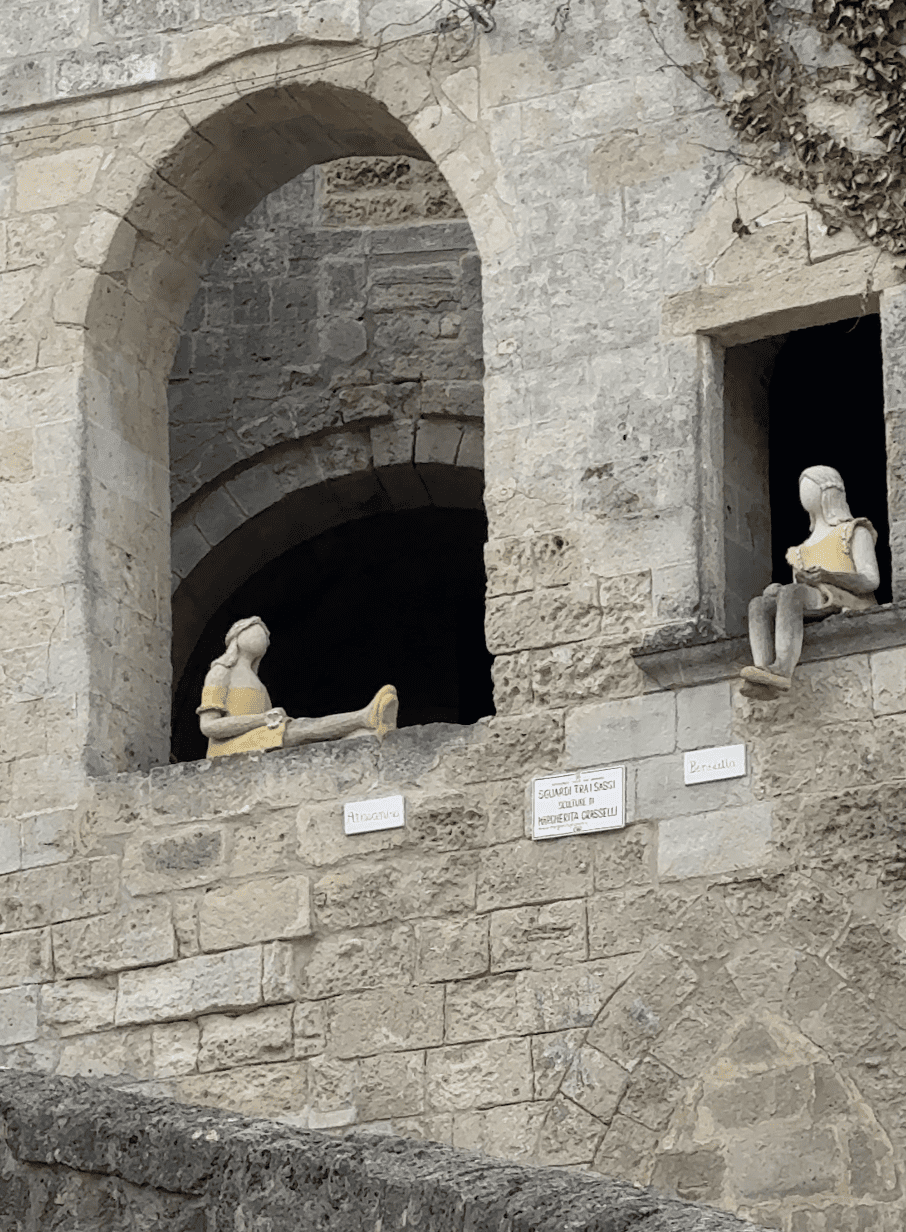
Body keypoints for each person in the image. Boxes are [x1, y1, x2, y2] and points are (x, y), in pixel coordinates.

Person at [740, 465, 879, 699]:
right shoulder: (801, 550)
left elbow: (870, 581)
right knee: (760, 603)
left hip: (845, 597)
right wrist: (778, 591)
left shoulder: (852, 530)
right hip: (816, 597)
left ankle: (783, 668)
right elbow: (798, 586)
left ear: (828, 494)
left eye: (811, 488)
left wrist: (828, 576)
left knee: (791, 593)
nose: (805, 494)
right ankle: (763, 669)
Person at [197, 616, 398, 758]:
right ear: (237, 637)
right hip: (231, 747)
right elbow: (208, 726)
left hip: (261, 739)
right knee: (298, 729)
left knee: (302, 735)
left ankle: (364, 733)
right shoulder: (220, 672)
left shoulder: (257, 683)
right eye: (253, 631)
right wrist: (263, 719)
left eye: (265, 636)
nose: (262, 637)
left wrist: (268, 721)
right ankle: (363, 717)